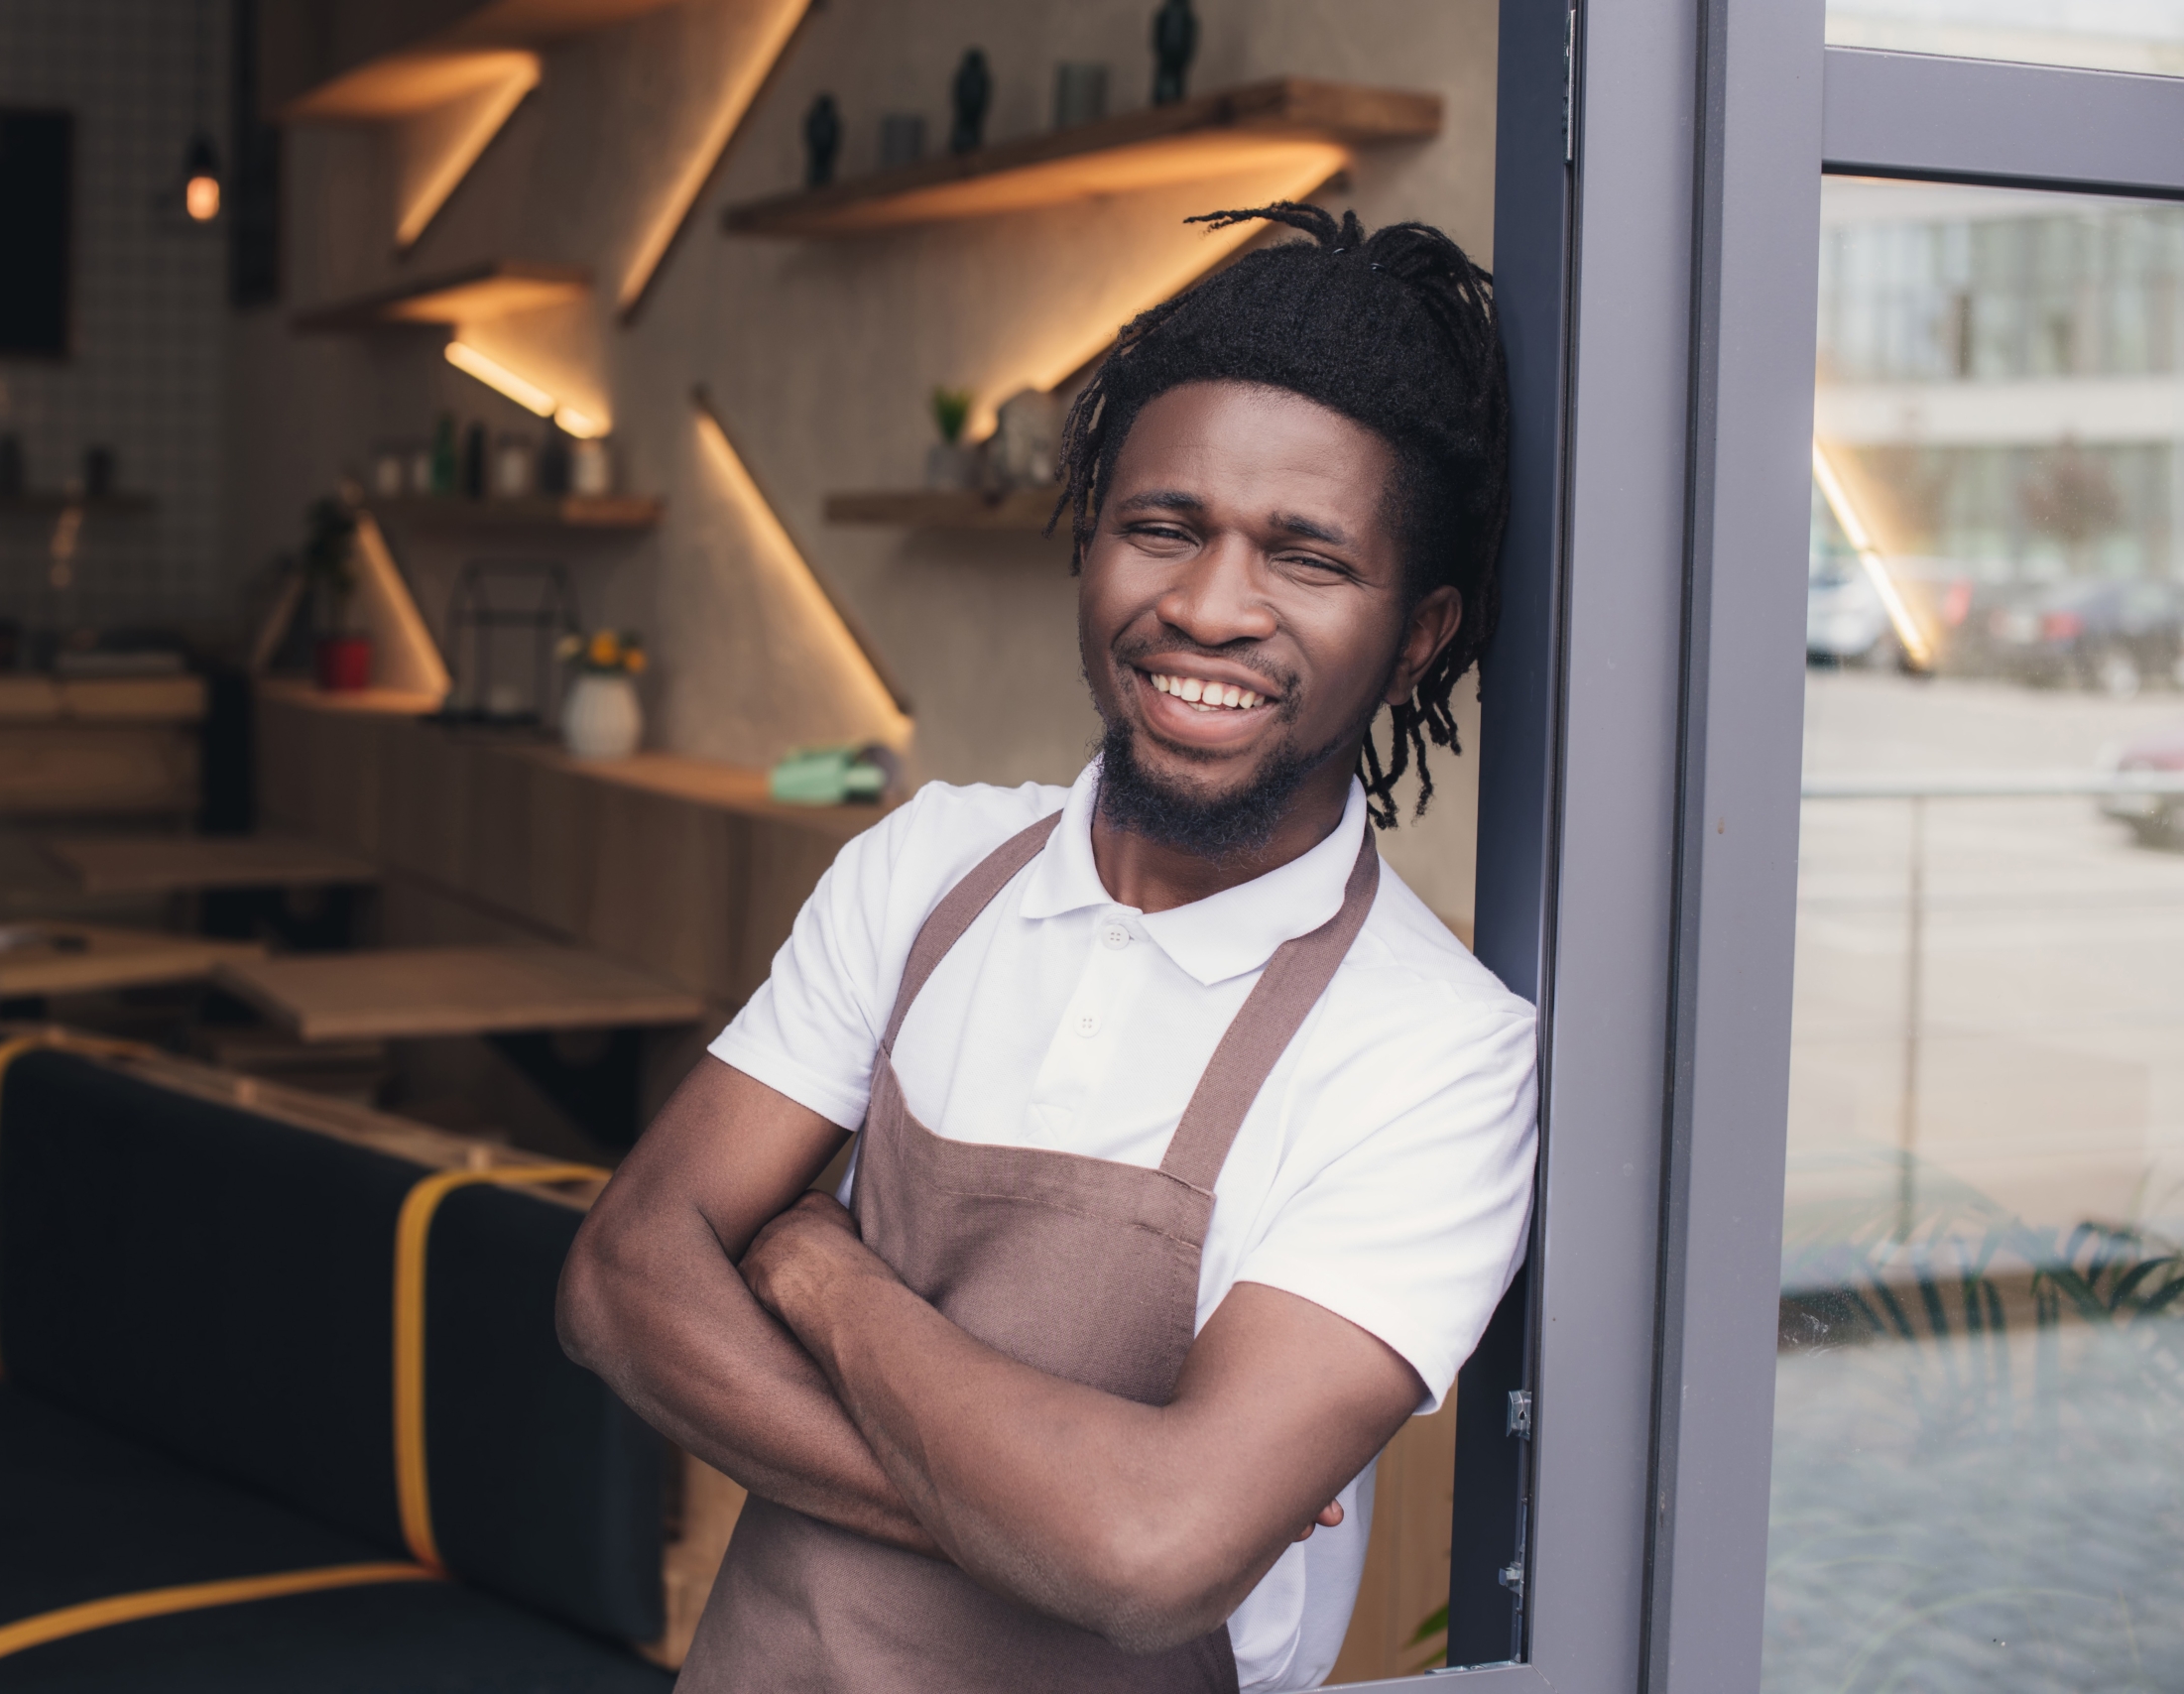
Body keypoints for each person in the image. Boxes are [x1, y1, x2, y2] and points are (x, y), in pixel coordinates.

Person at [557, 203, 1537, 1693]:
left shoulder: (1434, 1052)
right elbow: (622, 1278)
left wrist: (819, 1269)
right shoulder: (928, 868)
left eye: (1306, 558)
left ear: (1419, 633)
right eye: (1163, 528)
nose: (1209, 607)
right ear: (1091, 545)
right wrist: (1047, 1521)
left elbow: (1153, 1557)